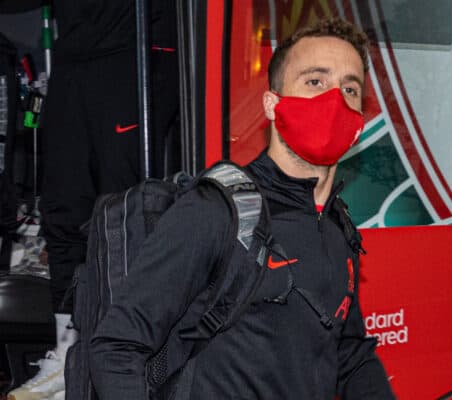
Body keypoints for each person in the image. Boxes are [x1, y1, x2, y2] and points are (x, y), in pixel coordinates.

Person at [89, 17, 396, 400]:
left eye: (350, 89)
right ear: (272, 104)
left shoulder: (337, 228)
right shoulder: (218, 210)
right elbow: (117, 346)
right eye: (315, 81)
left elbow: (349, 354)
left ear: (359, 121)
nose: (334, 99)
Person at [7, 1, 178, 400]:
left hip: (134, 47)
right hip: (75, 53)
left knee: (126, 212)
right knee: (63, 205)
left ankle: (127, 354)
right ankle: (68, 350)